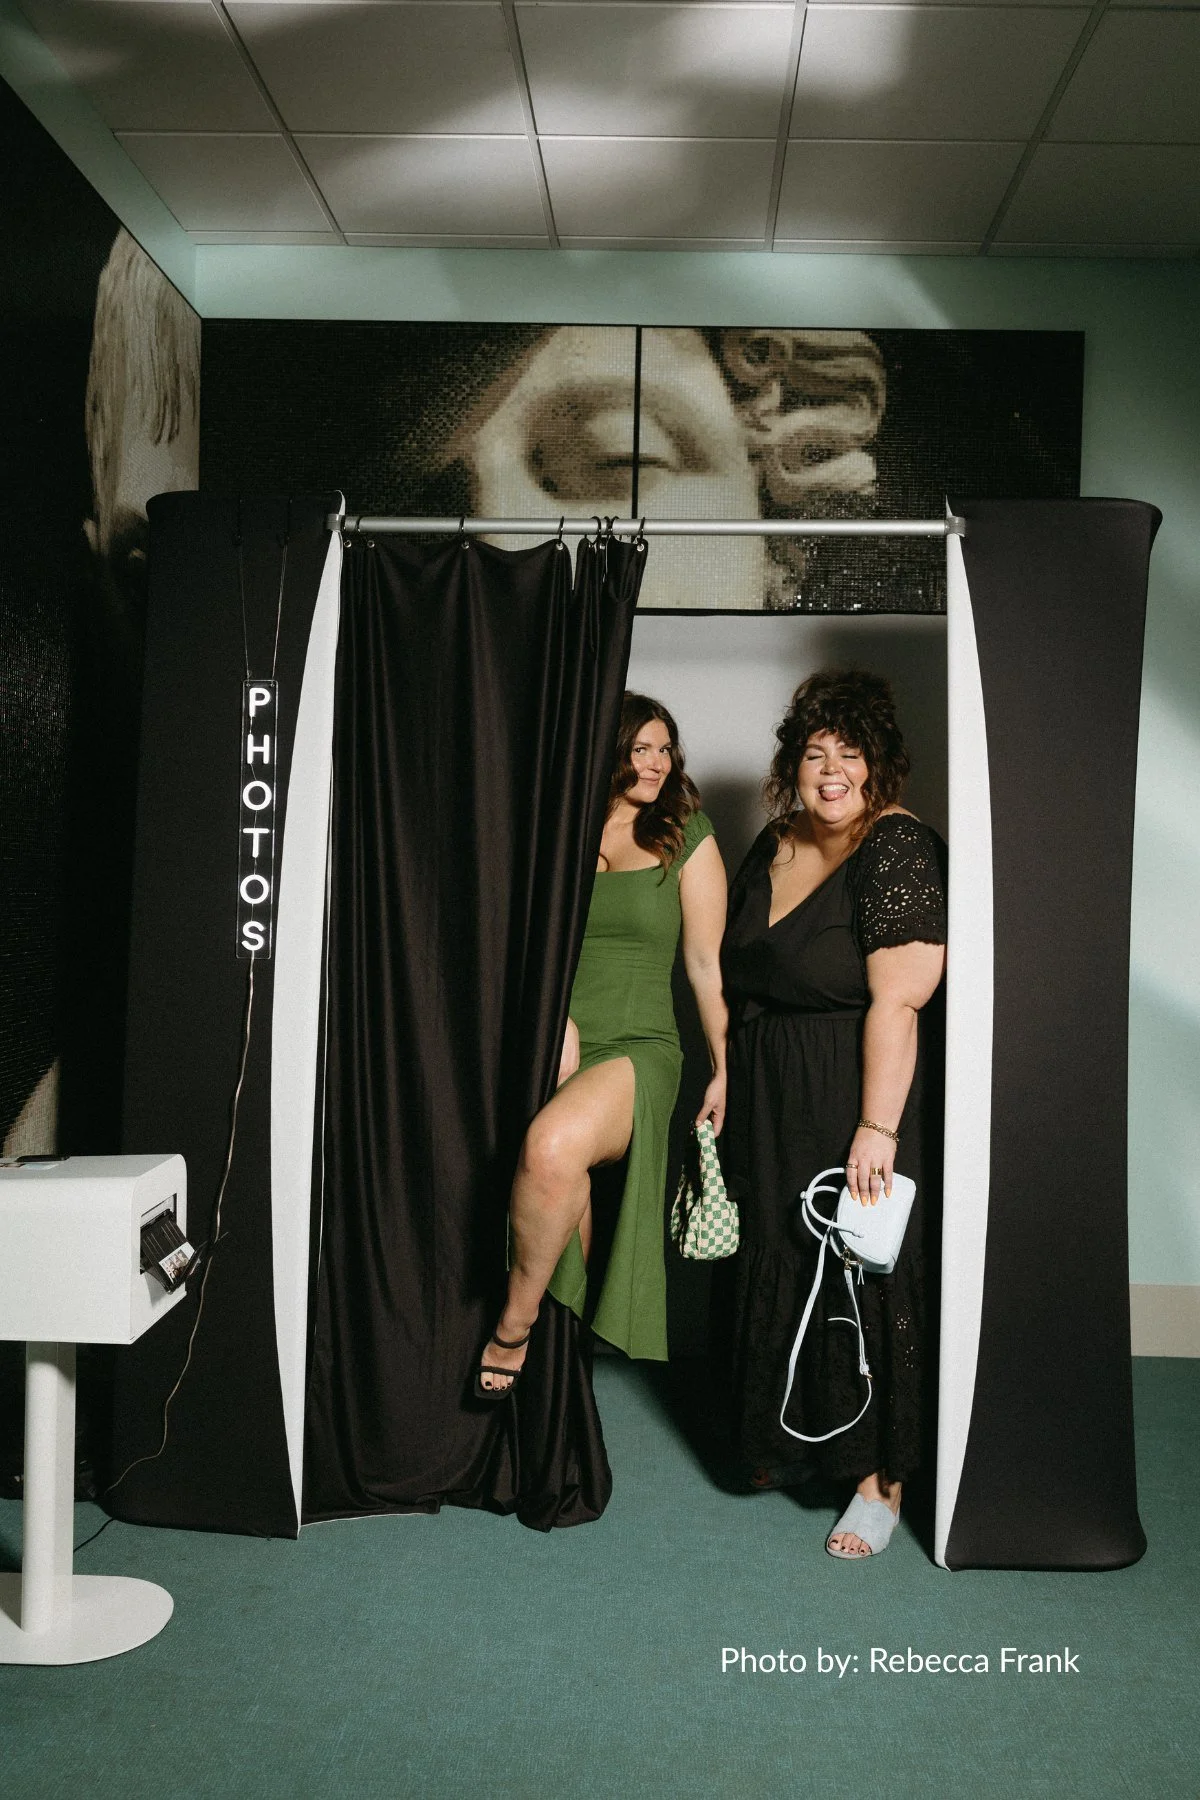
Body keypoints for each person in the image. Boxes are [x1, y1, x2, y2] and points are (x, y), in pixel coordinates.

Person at [719, 670, 946, 1558]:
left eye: (849, 754)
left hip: (854, 1087)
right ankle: (792, 1438)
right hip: (769, 1089)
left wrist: (877, 1128)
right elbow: (737, 976)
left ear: (878, 764)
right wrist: (725, 1074)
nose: (830, 771)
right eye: (815, 753)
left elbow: (901, 1001)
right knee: (780, 1252)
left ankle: (878, 1480)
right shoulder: (774, 841)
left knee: (860, 1268)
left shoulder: (896, 846)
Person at [476, 693, 728, 1394]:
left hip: (640, 1048)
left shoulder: (687, 834)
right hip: (550, 1040)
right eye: (640, 747)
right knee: (559, 1183)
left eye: (665, 748)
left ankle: (513, 1330)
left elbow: (705, 967)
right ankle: (559, 1370)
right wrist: (553, 1022)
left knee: (551, 1146)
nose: (656, 762)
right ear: (610, 750)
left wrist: (723, 1067)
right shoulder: (562, 830)